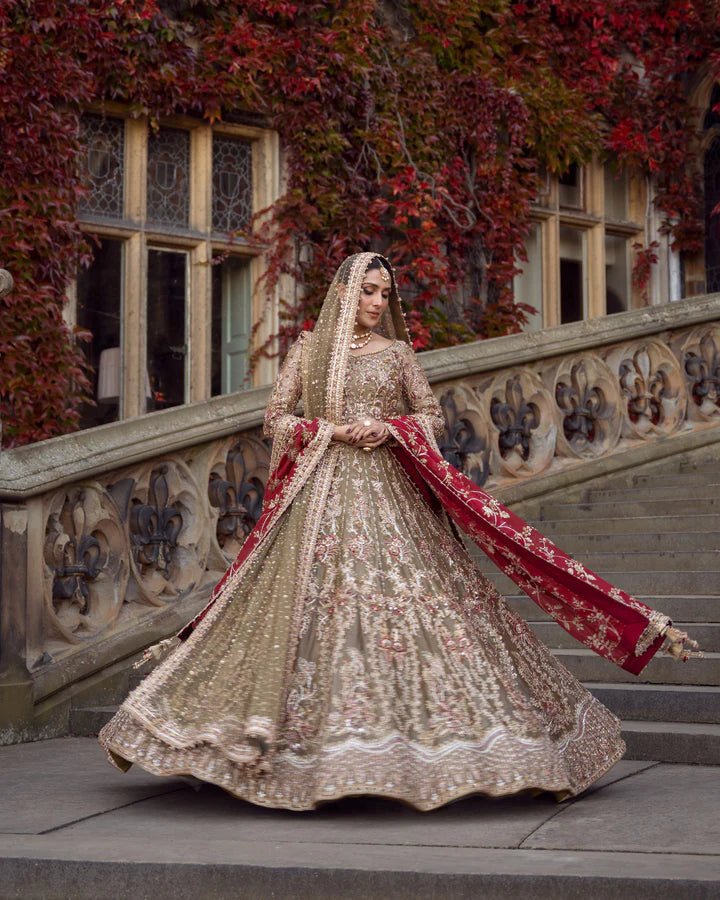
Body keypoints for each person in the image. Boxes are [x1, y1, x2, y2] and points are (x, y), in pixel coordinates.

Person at [98, 251, 700, 810]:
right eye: (367, 291)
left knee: (430, 605)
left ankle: (461, 751)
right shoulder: (310, 351)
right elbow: (275, 418)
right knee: (312, 608)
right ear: (344, 293)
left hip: (392, 492)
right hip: (318, 497)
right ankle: (291, 755)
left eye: (385, 292)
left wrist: (389, 428)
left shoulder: (396, 355)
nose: (378, 301)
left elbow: (430, 415)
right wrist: (332, 431)